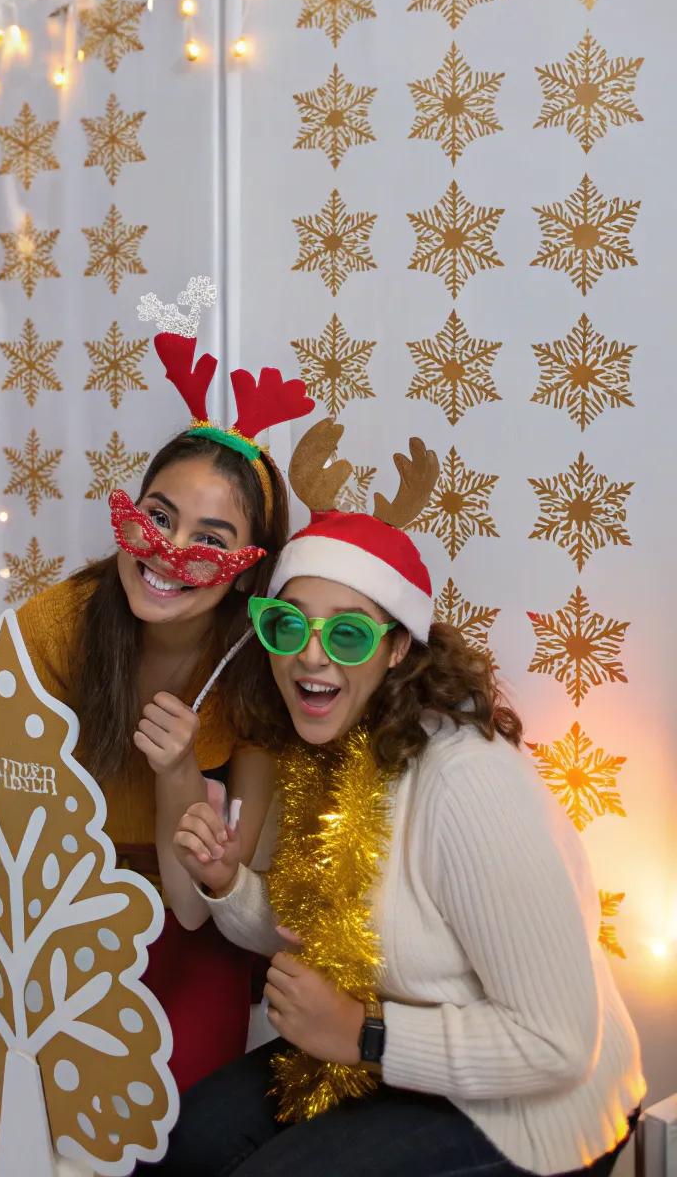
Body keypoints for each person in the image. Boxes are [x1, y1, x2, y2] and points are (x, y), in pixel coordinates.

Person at [161, 420, 644, 1175]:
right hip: (380, 1054)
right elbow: (316, 937)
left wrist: (365, 1036)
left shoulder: (468, 784)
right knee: (179, 1143)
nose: (309, 656)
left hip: (527, 1106)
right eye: (288, 626)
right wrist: (228, 884)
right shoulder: (318, 751)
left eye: (347, 635)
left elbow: (557, 1044)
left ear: (396, 649)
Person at [17, 304, 314, 1092]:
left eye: (211, 540)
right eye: (157, 518)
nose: (171, 553)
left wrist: (179, 769)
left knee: (178, 1102)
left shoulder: (255, 675)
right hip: (61, 894)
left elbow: (205, 901)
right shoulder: (55, 628)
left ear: (249, 570)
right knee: (39, 1085)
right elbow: (9, 811)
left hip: (190, 915)